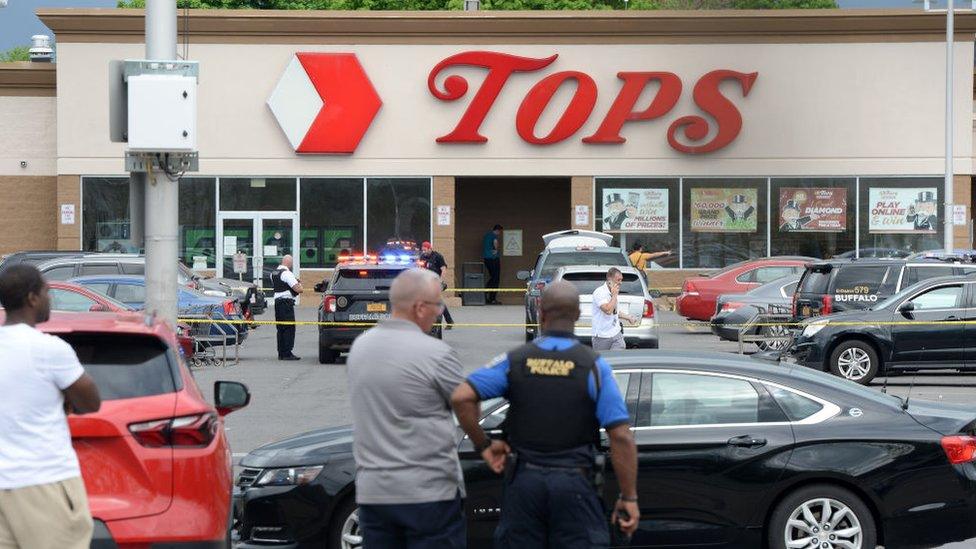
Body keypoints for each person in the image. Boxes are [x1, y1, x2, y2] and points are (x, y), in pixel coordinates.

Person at [451, 281, 639, 548]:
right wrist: (629, 497)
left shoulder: (516, 360)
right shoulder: (594, 367)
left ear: (540, 312)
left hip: (525, 484)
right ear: (577, 315)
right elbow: (620, 436)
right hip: (573, 485)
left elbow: (461, 397)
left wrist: (484, 445)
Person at [347, 268, 466, 548]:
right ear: (420, 307)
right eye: (438, 305)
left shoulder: (360, 348)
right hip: (429, 494)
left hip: (374, 495)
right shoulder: (435, 354)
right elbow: (465, 404)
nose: (439, 312)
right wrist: (484, 442)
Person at [0, 265, 102, 549]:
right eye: (47, 292)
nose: (50, 299)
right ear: (32, 298)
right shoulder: (49, 349)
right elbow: (91, 401)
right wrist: (65, 397)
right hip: (43, 482)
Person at [591, 267, 638, 351]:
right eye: (618, 280)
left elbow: (614, 311)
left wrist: (629, 317)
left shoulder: (613, 292)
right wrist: (614, 295)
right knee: (603, 361)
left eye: (621, 280)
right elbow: (608, 310)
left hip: (616, 333)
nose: (621, 283)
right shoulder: (600, 292)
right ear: (609, 280)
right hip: (602, 336)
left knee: (618, 356)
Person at [271, 254, 303, 361]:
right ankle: (287, 353)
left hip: (277, 303)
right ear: (289, 263)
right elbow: (298, 289)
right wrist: (299, 283)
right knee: (289, 328)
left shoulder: (274, 273)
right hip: (286, 303)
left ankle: (281, 352)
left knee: (280, 328)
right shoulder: (287, 274)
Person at [419, 241, 455, 329]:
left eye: (425, 250)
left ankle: (447, 321)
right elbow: (420, 268)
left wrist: (441, 281)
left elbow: (443, 269)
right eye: (422, 250)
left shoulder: (438, 256)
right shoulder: (422, 256)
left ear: (430, 249)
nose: (424, 252)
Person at [482, 224, 502, 305]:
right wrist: (496, 249)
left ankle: (486, 293)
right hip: (493, 258)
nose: (499, 234)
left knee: (492, 277)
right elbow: (495, 242)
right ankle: (492, 298)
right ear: (497, 230)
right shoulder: (494, 236)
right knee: (496, 278)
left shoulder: (487, 236)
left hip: (486, 259)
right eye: (500, 232)